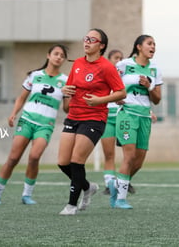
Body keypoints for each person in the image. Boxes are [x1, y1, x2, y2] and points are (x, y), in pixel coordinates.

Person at [0, 44, 70, 205]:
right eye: (56, 53)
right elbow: (21, 98)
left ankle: (27, 195)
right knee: (13, 158)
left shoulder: (65, 81)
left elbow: (67, 109)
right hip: (26, 120)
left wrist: (70, 96)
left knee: (34, 157)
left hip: (45, 125)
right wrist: (13, 114)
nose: (59, 57)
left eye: (62, 55)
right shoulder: (35, 76)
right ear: (48, 55)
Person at [57, 28, 126, 215]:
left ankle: (71, 205)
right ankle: (88, 187)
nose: (87, 42)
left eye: (92, 40)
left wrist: (100, 100)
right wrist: (65, 92)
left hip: (94, 119)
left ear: (101, 46)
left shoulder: (106, 67)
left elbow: (121, 92)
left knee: (76, 161)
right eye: (85, 38)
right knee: (63, 163)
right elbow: (69, 89)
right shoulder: (78, 63)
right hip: (74, 116)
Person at [108, 34, 163, 209]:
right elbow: (110, 85)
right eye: (149, 43)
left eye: (154, 44)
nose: (153, 46)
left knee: (138, 162)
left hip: (145, 117)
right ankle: (120, 199)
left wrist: (148, 86)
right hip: (127, 114)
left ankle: (116, 185)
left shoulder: (155, 70)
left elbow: (157, 100)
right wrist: (113, 97)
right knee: (129, 156)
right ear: (139, 47)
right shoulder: (123, 65)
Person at [101, 49, 124, 194]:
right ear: (109, 60)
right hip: (107, 118)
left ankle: (122, 182)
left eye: (121, 58)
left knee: (130, 154)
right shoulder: (103, 74)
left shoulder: (126, 76)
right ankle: (109, 185)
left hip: (124, 117)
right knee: (109, 154)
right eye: (116, 58)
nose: (119, 60)